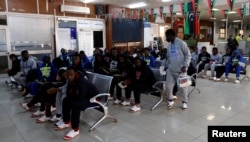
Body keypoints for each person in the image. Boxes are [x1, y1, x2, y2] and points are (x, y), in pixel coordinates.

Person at [54, 66, 99, 140]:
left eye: (71, 75)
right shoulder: (71, 80)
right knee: (66, 100)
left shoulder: (82, 81)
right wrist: (74, 94)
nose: (69, 77)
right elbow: (69, 93)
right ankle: (67, 122)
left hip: (93, 100)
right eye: (67, 75)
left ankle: (75, 129)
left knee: (75, 105)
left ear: (75, 73)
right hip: (84, 97)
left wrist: (74, 94)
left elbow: (81, 96)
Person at [165, 29, 191, 109]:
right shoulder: (169, 45)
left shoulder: (181, 43)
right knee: (168, 86)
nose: (166, 38)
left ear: (171, 35)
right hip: (171, 70)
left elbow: (188, 55)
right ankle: (170, 100)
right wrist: (166, 66)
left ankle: (184, 102)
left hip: (181, 70)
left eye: (167, 36)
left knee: (183, 88)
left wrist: (185, 65)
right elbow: (168, 57)